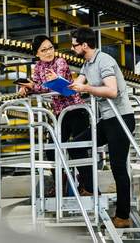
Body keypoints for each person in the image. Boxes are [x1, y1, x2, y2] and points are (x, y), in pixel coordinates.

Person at [68, 27, 135, 228]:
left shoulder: (104, 60)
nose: (72, 49)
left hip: (120, 118)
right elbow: (75, 86)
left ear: (84, 45)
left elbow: (112, 91)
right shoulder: (87, 64)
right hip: (106, 120)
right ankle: (88, 187)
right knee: (76, 145)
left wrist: (87, 88)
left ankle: (123, 216)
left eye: (74, 45)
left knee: (118, 166)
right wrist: (55, 82)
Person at [19, 35, 89, 196]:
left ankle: (88, 186)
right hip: (60, 113)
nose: (49, 52)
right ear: (37, 53)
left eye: (50, 48)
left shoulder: (60, 62)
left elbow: (51, 86)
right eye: (44, 50)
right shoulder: (37, 67)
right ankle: (61, 181)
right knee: (51, 150)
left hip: (76, 110)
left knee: (79, 149)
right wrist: (26, 88)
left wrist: (33, 86)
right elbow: (37, 84)